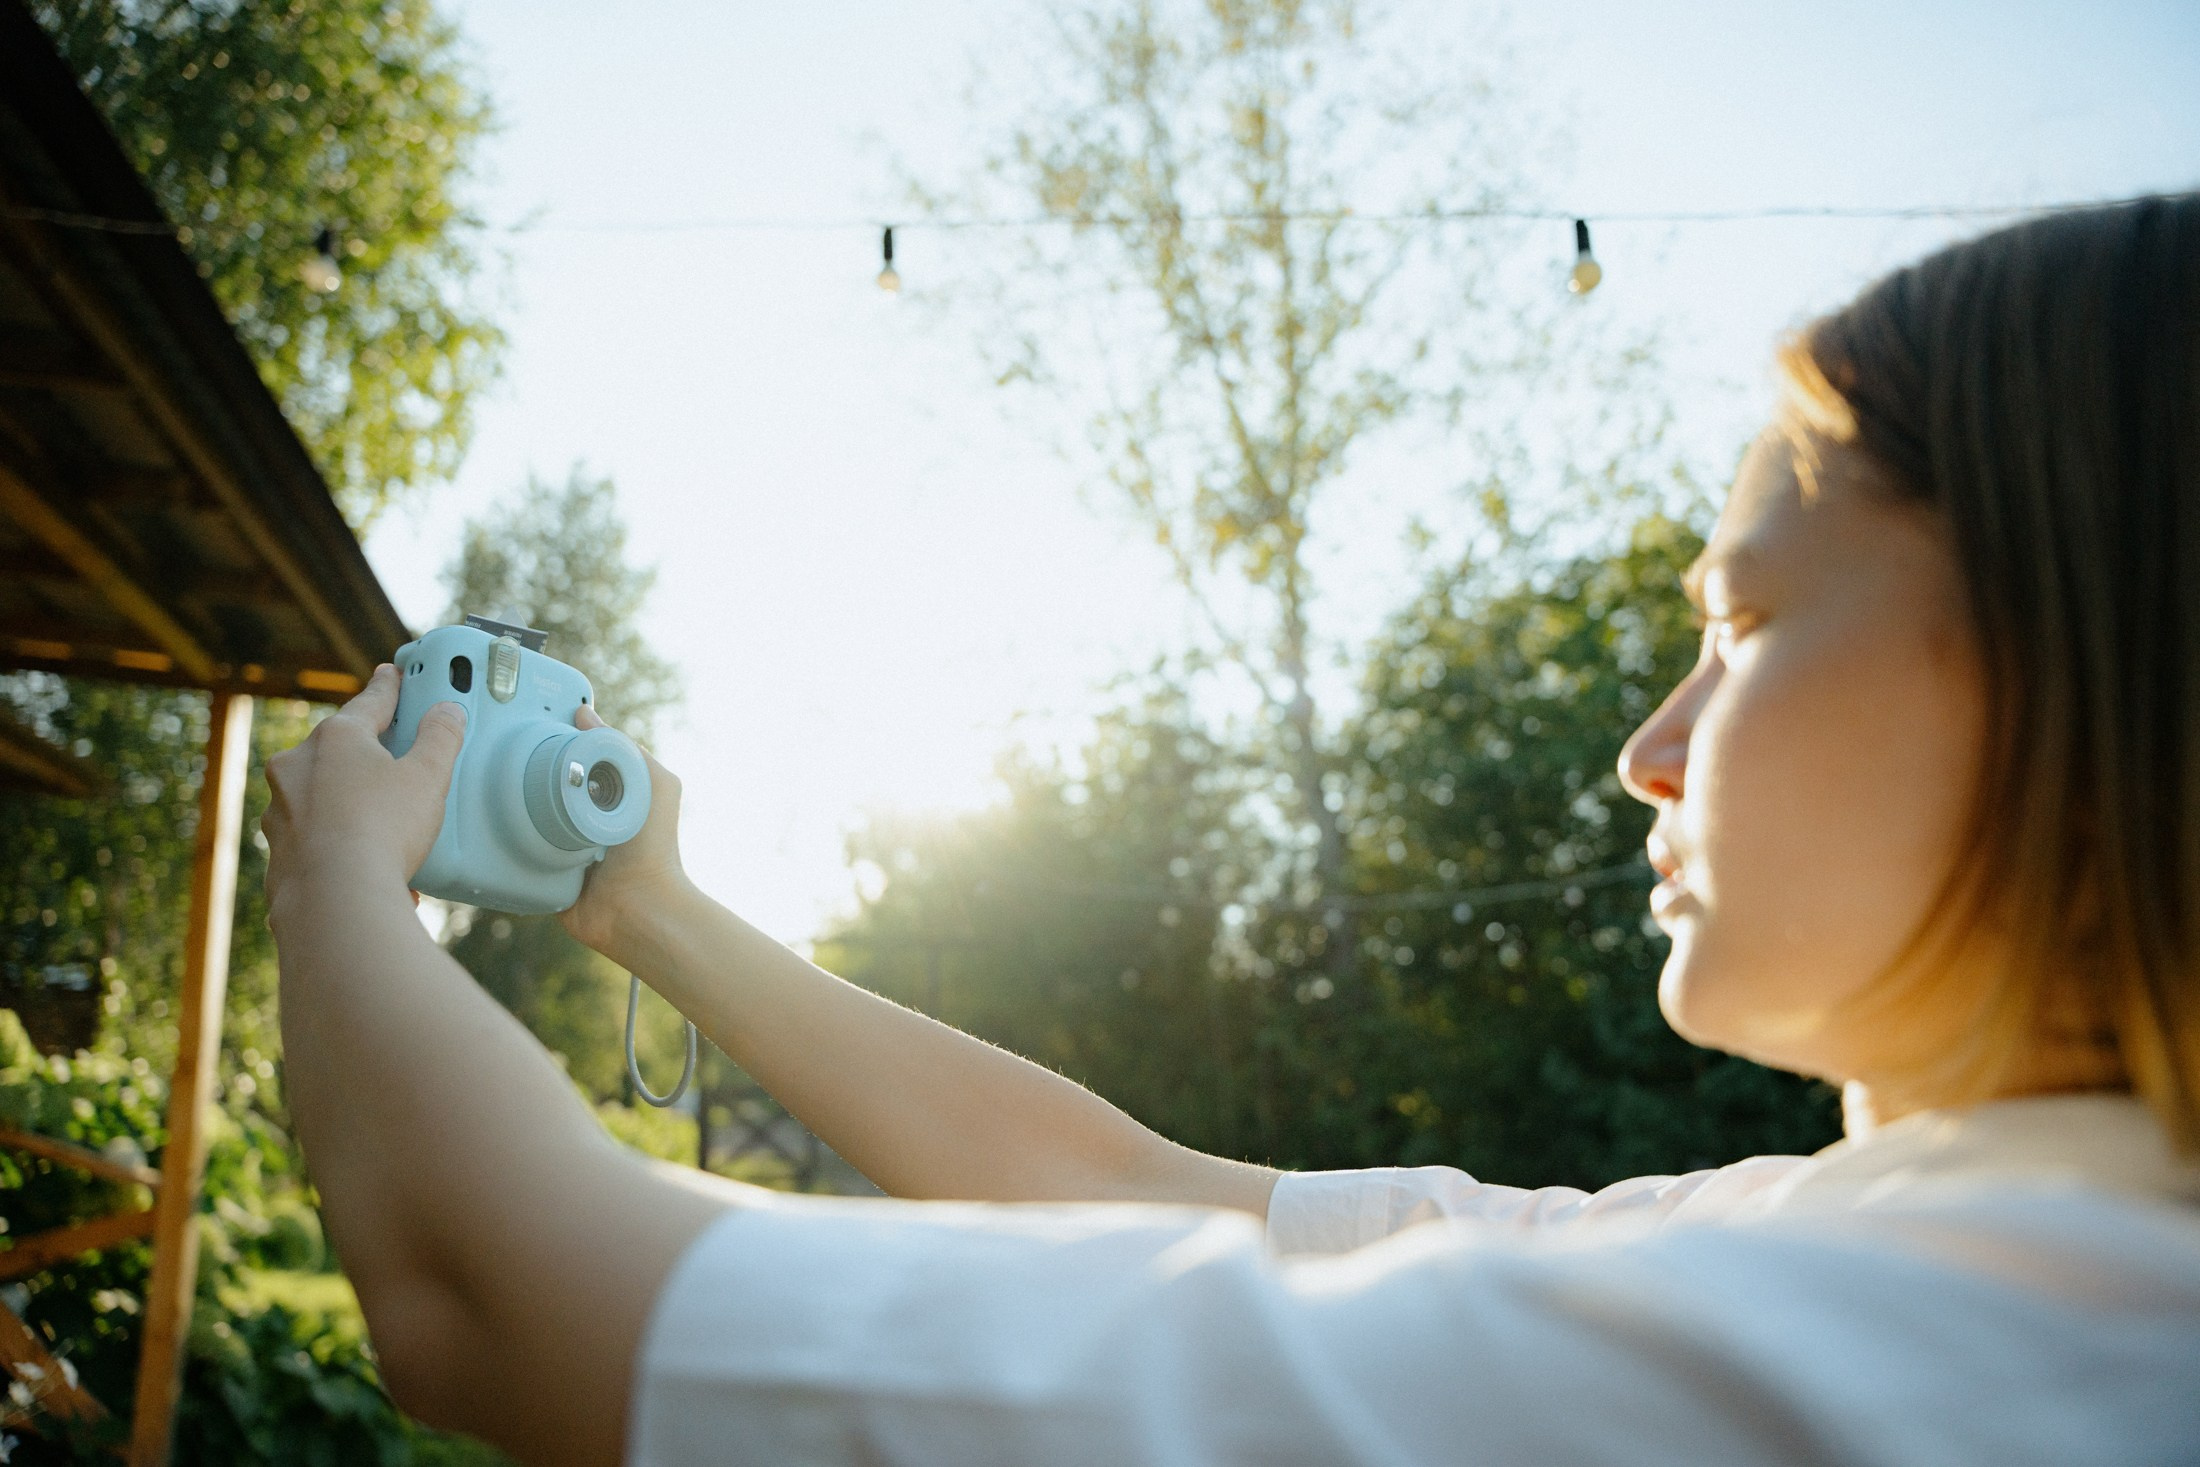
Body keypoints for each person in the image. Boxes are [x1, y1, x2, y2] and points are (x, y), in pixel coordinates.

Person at [263, 195, 2200, 1467]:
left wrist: (341, 867)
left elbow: (492, 1290)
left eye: (1747, 621)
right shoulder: (1878, 1239)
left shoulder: (1922, 1359)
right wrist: (652, 910)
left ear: (2089, 640)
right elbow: (1103, 1176)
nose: (1646, 747)